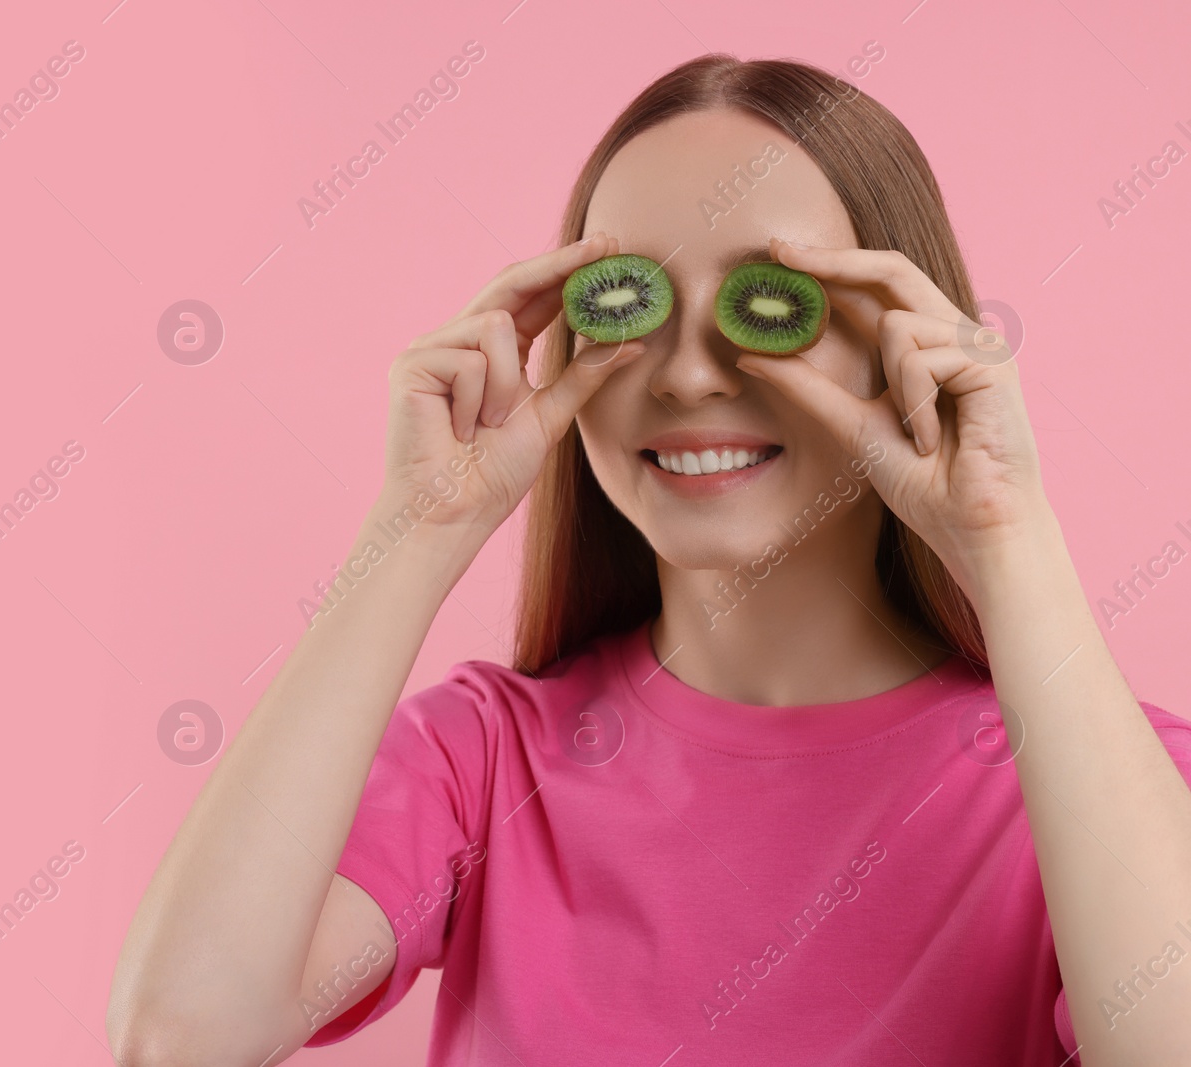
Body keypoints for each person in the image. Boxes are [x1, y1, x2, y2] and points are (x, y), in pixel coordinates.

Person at [105, 54, 1191, 1066]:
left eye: (767, 302)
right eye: (635, 300)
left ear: (903, 335)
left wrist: (1006, 533)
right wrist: (419, 526)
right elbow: (183, 1030)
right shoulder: (484, 763)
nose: (683, 375)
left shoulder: (1102, 777)